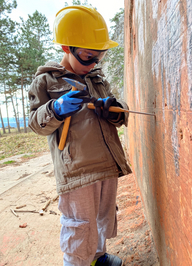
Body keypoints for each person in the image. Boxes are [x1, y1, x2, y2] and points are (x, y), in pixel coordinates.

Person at [28, 5, 132, 266]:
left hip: (106, 164)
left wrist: (114, 110)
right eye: (87, 56)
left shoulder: (97, 77)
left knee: (101, 218)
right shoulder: (46, 82)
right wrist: (56, 108)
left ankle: (98, 257)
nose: (94, 63)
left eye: (99, 56)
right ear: (67, 48)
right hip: (76, 170)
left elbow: (123, 114)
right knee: (79, 226)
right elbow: (35, 123)